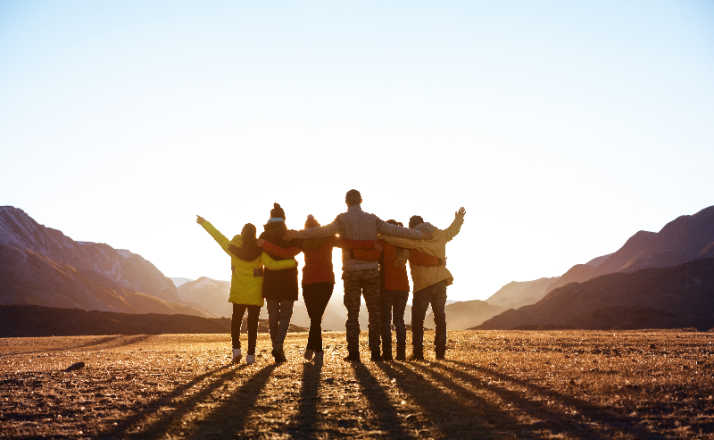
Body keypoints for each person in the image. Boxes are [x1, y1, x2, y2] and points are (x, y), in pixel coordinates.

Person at [285, 189, 430, 362]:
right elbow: (395, 231)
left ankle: (354, 354)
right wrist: (420, 235)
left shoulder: (342, 219)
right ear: (361, 200)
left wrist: (296, 233)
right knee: (374, 314)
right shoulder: (372, 219)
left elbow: (320, 232)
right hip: (371, 272)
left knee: (352, 315)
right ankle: (375, 353)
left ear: (346, 202)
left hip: (351, 272)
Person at [196, 215, 294, 364]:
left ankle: (236, 350)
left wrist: (204, 222)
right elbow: (272, 265)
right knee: (252, 325)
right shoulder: (260, 252)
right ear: (254, 235)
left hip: (238, 292)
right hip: (255, 294)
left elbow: (217, 236)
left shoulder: (233, 248)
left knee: (236, 322)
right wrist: (289, 262)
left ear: (242, 234)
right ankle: (251, 356)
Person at [380, 207, 466, 360]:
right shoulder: (440, 235)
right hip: (440, 281)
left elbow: (399, 240)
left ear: (412, 226)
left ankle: (418, 354)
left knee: (417, 320)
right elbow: (453, 230)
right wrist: (459, 218)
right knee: (440, 318)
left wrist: (383, 236)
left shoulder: (415, 238)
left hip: (423, 285)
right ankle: (440, 353)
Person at [259, 203, 300, 363]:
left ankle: (276, 345)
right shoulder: (289, 235)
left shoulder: (263, 236)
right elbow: (297, 249)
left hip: (270, 280)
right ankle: (278, 345)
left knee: (272, 315)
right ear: (283, 218)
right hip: (288, 280)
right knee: (285, 315)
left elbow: (258, 256)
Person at [378, 220, 410, 361]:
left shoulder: (383, 243)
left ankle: (387, 354)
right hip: (403, 287)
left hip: (387, 286)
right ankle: (401, 354)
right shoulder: (403, 243)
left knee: (385, 321)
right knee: (399, 320)